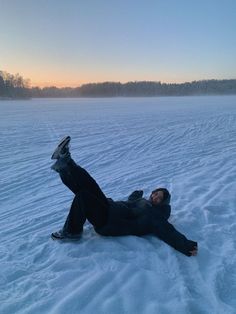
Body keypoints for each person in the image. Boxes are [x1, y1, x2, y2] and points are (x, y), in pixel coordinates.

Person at [51, 136, 198, 257]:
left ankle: (72, 232)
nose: (154, 197)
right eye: (155, 193)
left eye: (159, 198)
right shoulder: (144, 204)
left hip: (108, 222)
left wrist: (185, 245)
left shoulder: (156, 216)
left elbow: (168, 231)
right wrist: (136, 195)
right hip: (109, 208)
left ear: (163, 204)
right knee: (90, 184)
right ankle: (66, 161)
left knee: (84, 195)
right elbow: (131, 203)